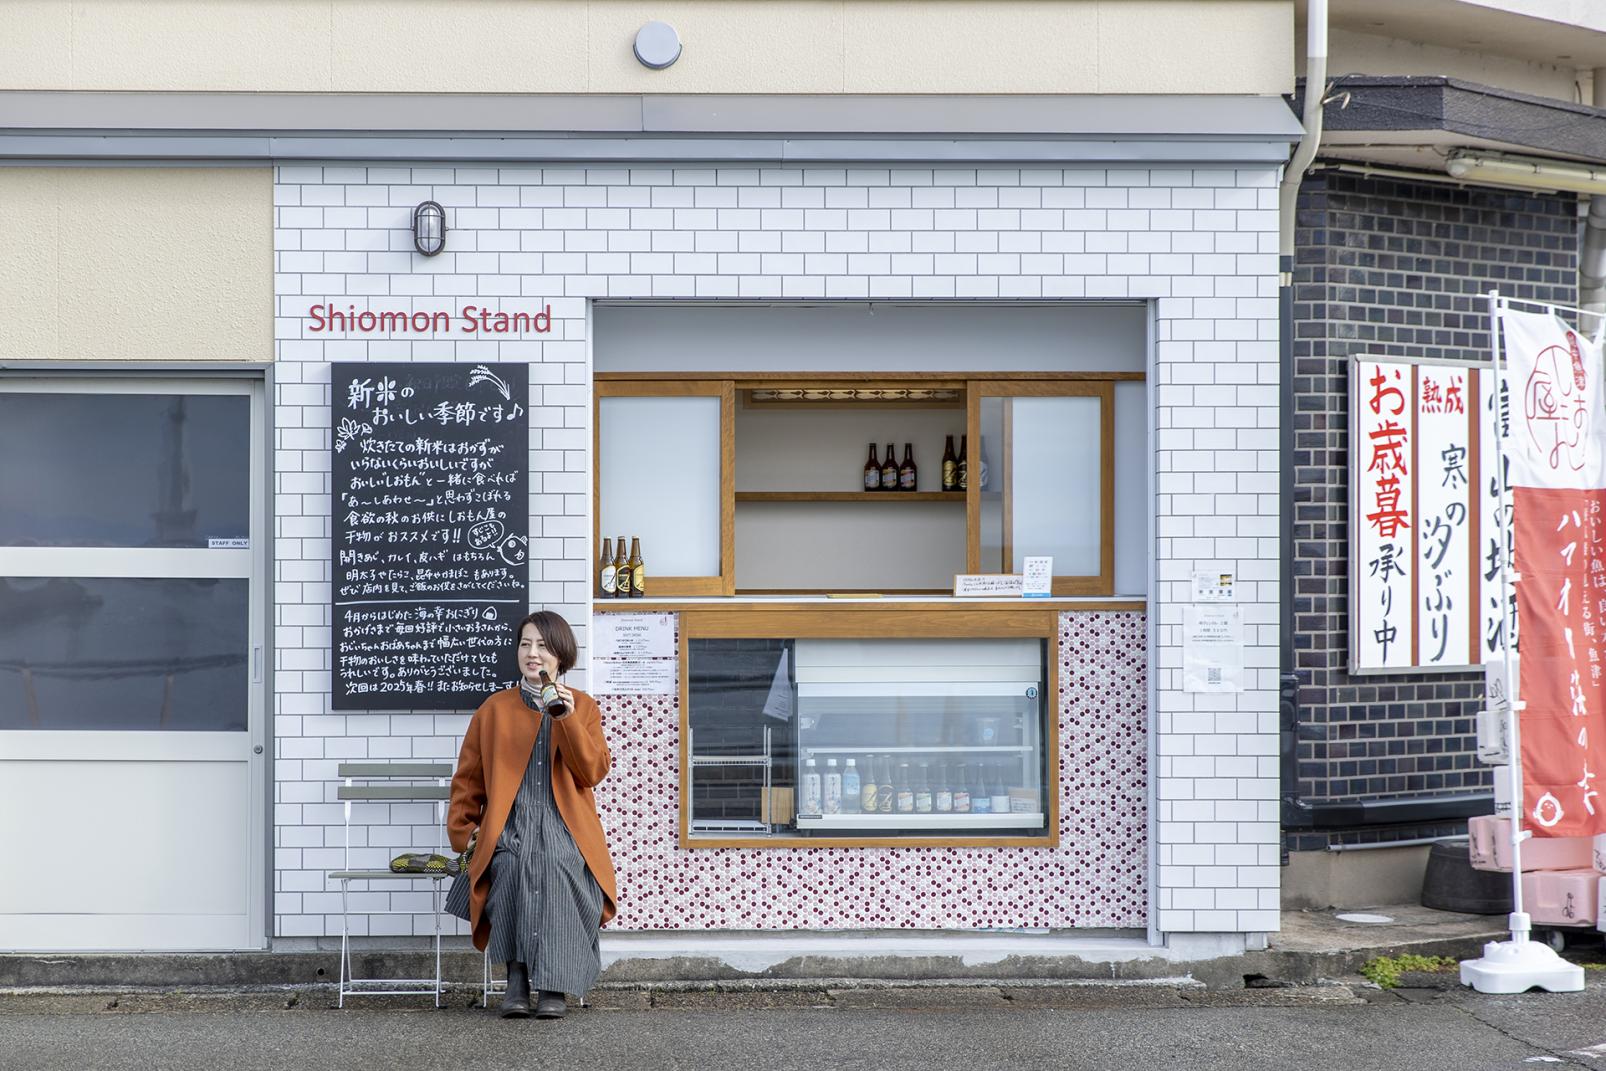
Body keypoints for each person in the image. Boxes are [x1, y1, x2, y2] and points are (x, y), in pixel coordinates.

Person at [448, 610, 618, 1019]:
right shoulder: (494, 709)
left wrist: (567, 717)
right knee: (512, 864)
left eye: (542, 645)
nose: (532, 653)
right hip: (510, 822)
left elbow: (591, 772)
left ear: (561, 655)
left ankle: (555, 987)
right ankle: (517, 980)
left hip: (566, 827)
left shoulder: (586, 707)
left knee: (558, 864)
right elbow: (468, 778)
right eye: (525, 644)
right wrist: (464, 831)